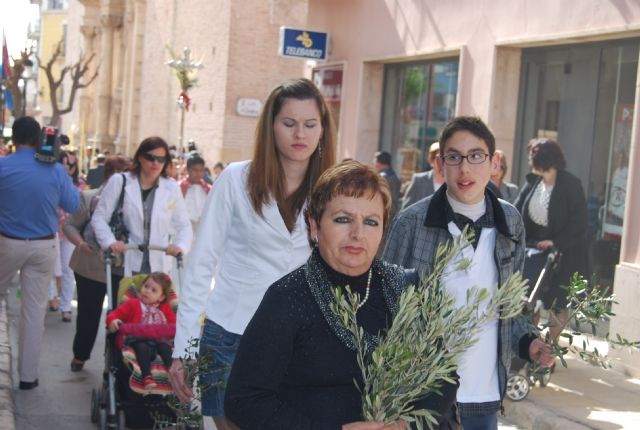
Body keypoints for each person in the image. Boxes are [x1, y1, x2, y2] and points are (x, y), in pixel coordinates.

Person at [224, 161, 458, 429]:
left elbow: (444, 378)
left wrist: (404, 425)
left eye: (371, 222)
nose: (357, 234)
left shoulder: (408, 288)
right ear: (314, 226)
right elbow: (244, 401)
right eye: (343, 219)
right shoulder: (287, 298)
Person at [169, 78, 337, 430]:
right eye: (288, 123)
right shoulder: (235, 179)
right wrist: (183, 349)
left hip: (299, 346)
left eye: (310, 124)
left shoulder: (332, 189)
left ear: (323, 129)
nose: (299, 134)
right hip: (229, 336)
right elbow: (201, 265)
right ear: (271, 126)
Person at [383, 116, 553, 430]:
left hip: (484, 394)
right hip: (421, 397)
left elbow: (509, 306)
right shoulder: (410, 223)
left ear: (494, 163)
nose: (465, 169)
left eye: (476, 156)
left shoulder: (510, 221)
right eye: (454, 157)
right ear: (440, 164)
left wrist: (528, 342)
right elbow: (384, 308)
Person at [0, 116, 79, 389]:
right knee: (33, 313)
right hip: (44, 246)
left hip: (7, 243)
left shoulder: (2, 166)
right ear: (39, 140)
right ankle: (27, 377)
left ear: (13, 140)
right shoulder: (55, 170)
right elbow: (72, 203)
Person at [514, 138, 589, 341]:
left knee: (557, 304)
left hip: (563, 254)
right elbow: (517, 212)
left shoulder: (571, 185)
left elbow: (579, 222)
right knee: (531, 301)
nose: (531, 163)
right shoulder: (532, 182)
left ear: (547, 161)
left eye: (534, 159)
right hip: (535, 254)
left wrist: (555, 242)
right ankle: (532, 345)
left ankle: (549, 347)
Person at [64, 155, 132, 372]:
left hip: (122, 270)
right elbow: (70, 225)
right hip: (90, 267)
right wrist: (81, 243)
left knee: (119, 320)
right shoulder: (90, 197)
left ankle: (113, 365)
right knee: (88, 316)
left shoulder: (134, 203)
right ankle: (80, 355)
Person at [91, 136, 192, 277]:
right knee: (124, 299)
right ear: (140, 157)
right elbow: (99, 217)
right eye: (150, 157)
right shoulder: (119, 181)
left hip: (158, 268)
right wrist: (110, 242)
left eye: (161, 159)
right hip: (125, 262)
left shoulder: (172, 188)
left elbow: (184, 224)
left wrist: (180, 247)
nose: (155, 163)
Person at [107, 271, 176, 389]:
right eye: (146, 286)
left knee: (166, 348)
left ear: (162, 297)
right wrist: (113, 321)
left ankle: (173, 373)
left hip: (158, 342)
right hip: (136, 341)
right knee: (141, 346)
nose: (147, 291)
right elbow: (114, 315)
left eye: (153, 290)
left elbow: (174, 325)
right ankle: (146, 376)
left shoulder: (165, 309)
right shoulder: (132, 304)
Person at [56, 150, 87, 322]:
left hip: (70, 232)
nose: (70, 168)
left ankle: (65, 306)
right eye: (67, 164)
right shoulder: (53, 179)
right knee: (53, 269)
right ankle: (52, 296)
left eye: (73, 165)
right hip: (51, 230)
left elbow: (79, 207)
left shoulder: (80, 184)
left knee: (67, 270)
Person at [401, 142, 445, 210]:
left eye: (444, 158)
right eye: (438, 159)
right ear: (431, 160)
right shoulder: (419, 180)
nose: (441, 162)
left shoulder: (454, 183)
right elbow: (406, 209)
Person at [179, 154, 211, 234]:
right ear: (188, 170)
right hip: (182, 230)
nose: (198, 173)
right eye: (195, 170)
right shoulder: (179, 187)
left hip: (202, 230)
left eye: (201, 170)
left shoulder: (208, 189)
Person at [374, 151, 401, 220]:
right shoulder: (394, 175)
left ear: (378, 162)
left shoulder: (381, 177)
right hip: (393, 214)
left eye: (375, 160)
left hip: (382, 214)